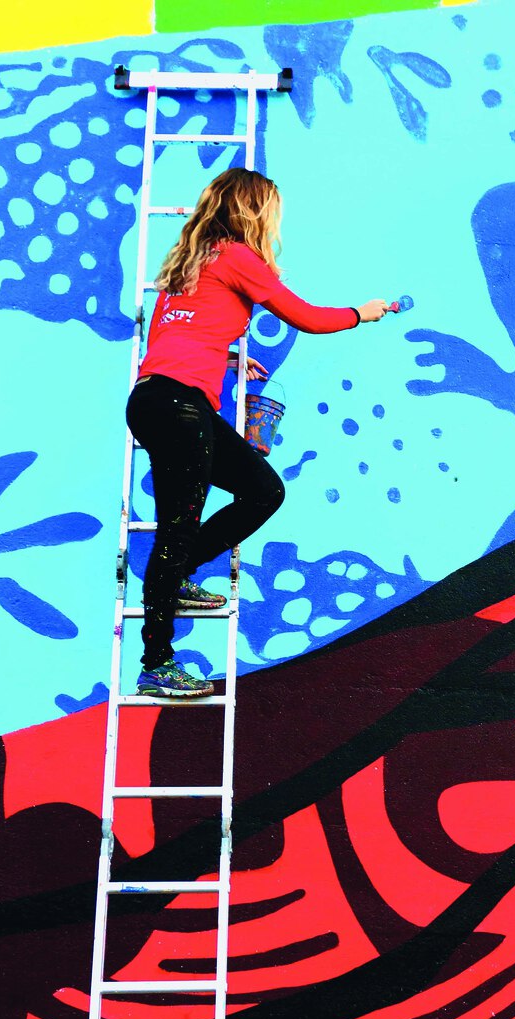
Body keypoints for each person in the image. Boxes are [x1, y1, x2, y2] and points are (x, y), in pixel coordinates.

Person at [129, 166, 389, 697]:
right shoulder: (236, 256)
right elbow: (306, 317)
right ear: (255, 212)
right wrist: (360, 314)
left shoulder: (190, 262)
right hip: (179, 407)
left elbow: (173, 335)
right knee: (176, 528)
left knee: (263, 490)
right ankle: (156, 663)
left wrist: (222, 357)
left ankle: (178, 575)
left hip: (161, 399)